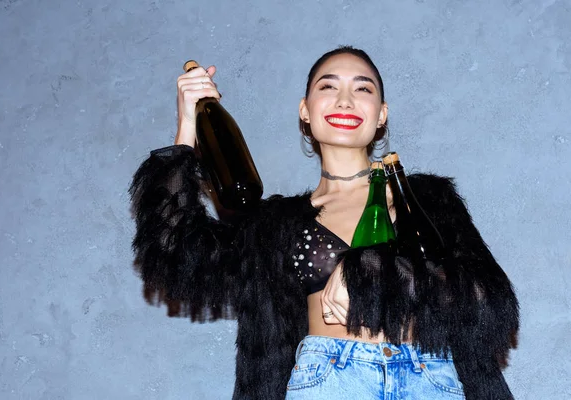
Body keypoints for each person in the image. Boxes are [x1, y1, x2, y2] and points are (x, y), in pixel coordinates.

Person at [129, 46, 519, 399]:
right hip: (328, 384)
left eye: (363, 89)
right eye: (328, 87)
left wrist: (366, 272)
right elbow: (174, 253)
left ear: (381, 114)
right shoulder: (273, 225)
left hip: (432, 380)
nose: (346, 100)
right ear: (305, 110)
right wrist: (187, 129)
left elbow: (490, 301)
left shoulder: (428, 200)